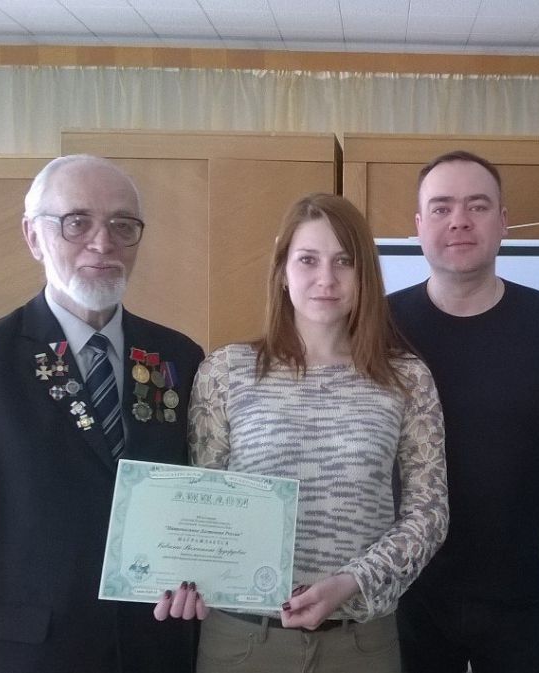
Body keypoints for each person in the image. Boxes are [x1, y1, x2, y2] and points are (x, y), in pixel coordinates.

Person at [0, 155, 204, 673]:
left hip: (156, 645)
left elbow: (195, 499)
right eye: (77, 222)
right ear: (33, 236)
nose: (103, 242)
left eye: (122, 224)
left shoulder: (178, 357)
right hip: (28, 653)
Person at [161, 193, 448, 673]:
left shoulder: (407, 378)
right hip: (243, 642)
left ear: (364, 274)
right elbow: (201, 506)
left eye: (344, 262)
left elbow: (429, 514)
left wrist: (352, 581)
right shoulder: (226, 371)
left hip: (360, 643)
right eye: (308, 260)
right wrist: (182, 576)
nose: (326, 279)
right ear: (282, 270)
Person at [388, 151, 539, 673]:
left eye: (477, 206)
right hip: (402, 592)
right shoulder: (379, 327)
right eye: (441, 208)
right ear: (419, 225)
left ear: (503, 221)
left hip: (518, 593)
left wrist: (530, 519)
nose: (459, 220)